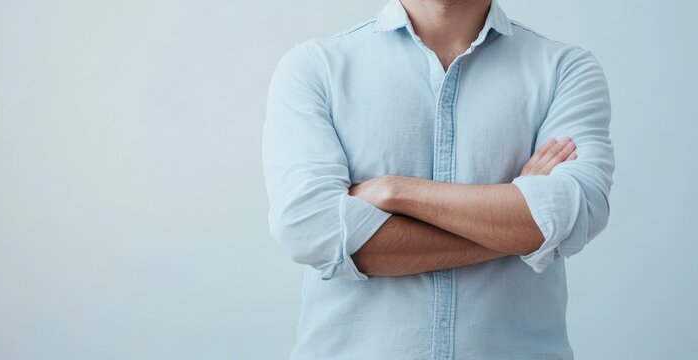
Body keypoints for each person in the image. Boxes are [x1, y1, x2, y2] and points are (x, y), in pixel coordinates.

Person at [261, 0, 615, 358]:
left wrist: (396, 191)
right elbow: (311, 229)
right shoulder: (315, 67)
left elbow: (576, 212)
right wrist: (517, 226)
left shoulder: (565, 70)